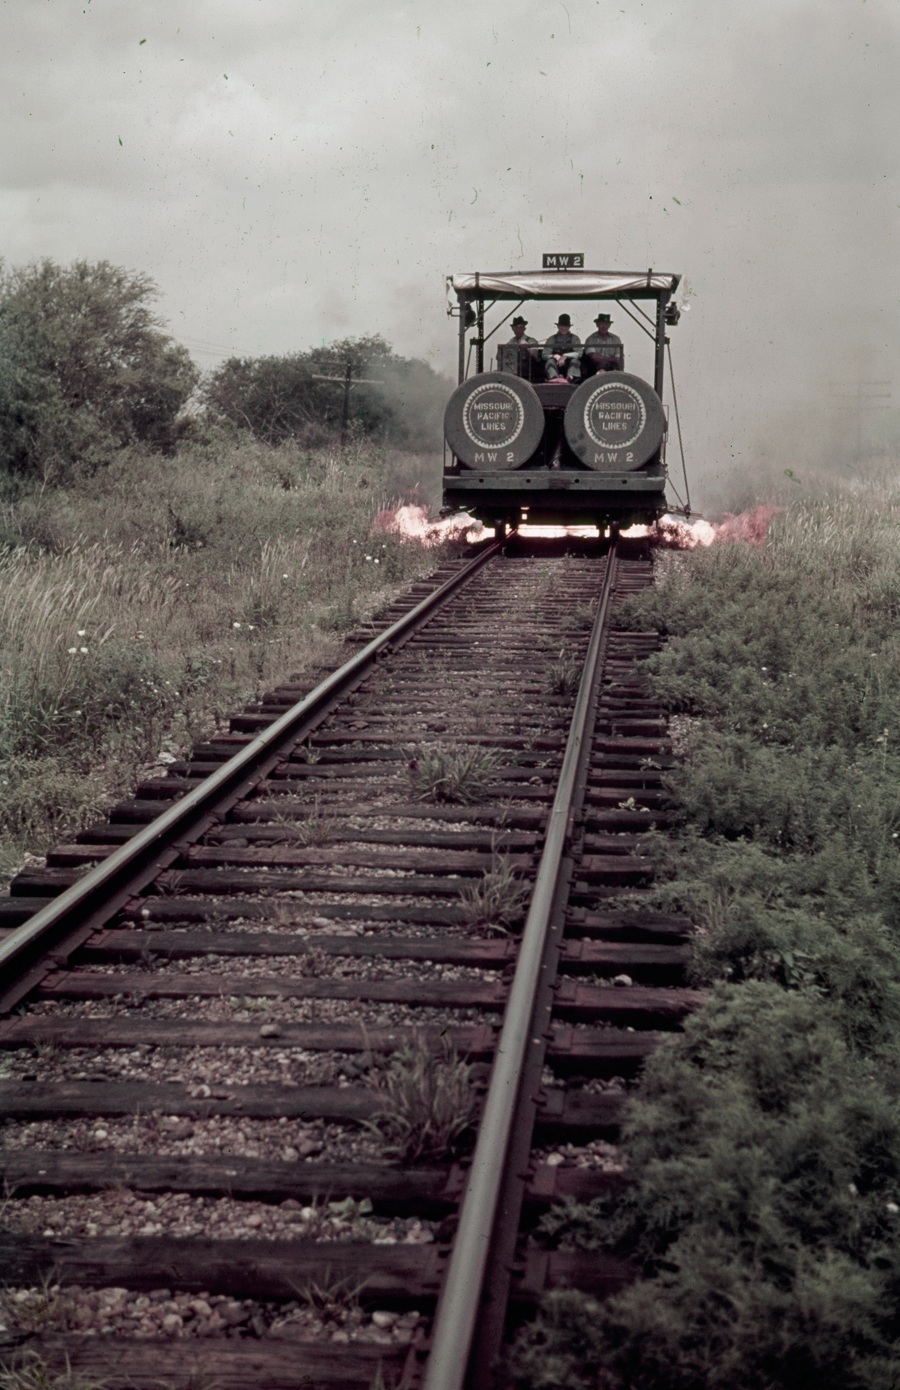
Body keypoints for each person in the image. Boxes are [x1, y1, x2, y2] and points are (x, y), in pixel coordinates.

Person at [543, 313, 582, 382]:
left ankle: (570, 378)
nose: (564, 328)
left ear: (569, 327)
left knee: (575, 361)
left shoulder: (575, 338)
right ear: (558, 326)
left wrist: (565, 356)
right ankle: (554, 378)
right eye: (562, 325)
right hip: (556, 365)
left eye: (566, 326)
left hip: (569, 365)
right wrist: (554, 356)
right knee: (550, 361)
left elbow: (579, 353)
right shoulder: (551, 339)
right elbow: (544, 355)